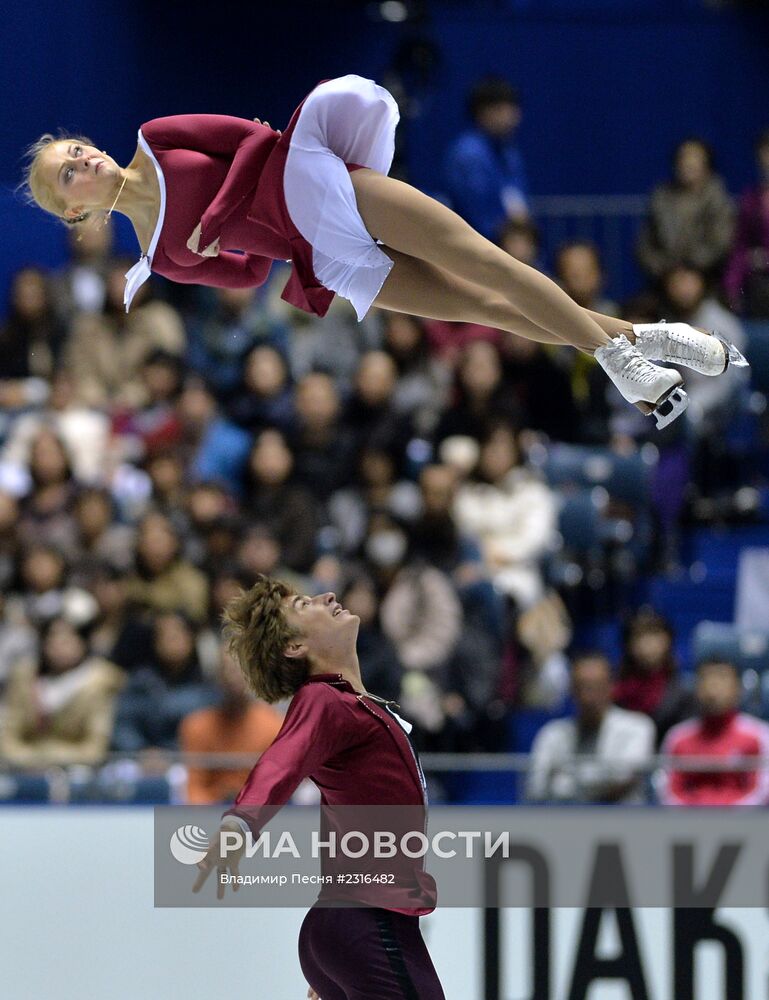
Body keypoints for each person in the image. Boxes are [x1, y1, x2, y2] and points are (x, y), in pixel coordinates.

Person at [24, 75, 743, 428]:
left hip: (310, 181)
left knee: (486, 262)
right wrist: (222, 238)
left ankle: (621, 361)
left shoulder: (156, 137)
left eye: (77, 149)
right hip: (316, 252)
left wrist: (215, 211)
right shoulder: (160, 257)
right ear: (74, 211)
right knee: (480, 308)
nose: (83, 159)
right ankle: (652, 339)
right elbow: (246, 267)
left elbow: (253, 140)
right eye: (69, 172)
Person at [192, 576, 445, 999]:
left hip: (350, 926)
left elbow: (339, 812)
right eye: (305, 604)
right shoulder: (323, 699)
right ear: (295, 647)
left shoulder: (351, 704)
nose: (327, 596)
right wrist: (242, 822)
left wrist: (334, 961)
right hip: (367, 921)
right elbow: (281, 759)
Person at [526, 652, 655, 804]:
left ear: (611, 686)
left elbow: (623, 779)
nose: (588, 696)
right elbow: (536, 788)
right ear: (571, 689)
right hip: (564, 821)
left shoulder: (638, 727)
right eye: (582, 686)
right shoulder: (552, 733)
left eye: (596, 686)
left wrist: (565, 783)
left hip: (623, 822)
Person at [178, 648, 284, 805]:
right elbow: (194, 788)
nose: (232, 676)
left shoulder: (275, 726)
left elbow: (278, 788)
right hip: (210, 816)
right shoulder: (196, 726)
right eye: (226, 669)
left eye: (240, 669)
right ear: (217, 676)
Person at [658, 659, 769, 806]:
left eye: (722, 678)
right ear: (696, 689)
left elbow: (762, 790)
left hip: (743, 824)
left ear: (738, 688)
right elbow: (667, 792)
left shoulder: (759, 735)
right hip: (687, 823)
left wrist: (724, 818)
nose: (713, 687)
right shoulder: (677, 737)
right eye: (706, 679)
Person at [636, 137, 735, 285]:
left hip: (708, 280)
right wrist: (666, 269)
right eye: (683, 157)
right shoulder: (661, 197)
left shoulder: (718, 199)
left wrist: (690, 268)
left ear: (707, 163)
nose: (688, 162)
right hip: (664, 280)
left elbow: (720, 244)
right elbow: (645, 246)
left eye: (695, 157)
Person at [724, 128, 769, 317]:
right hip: (760, 285)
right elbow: (740, 246)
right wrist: (731, 286)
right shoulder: (751, 200)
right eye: (765, 154)